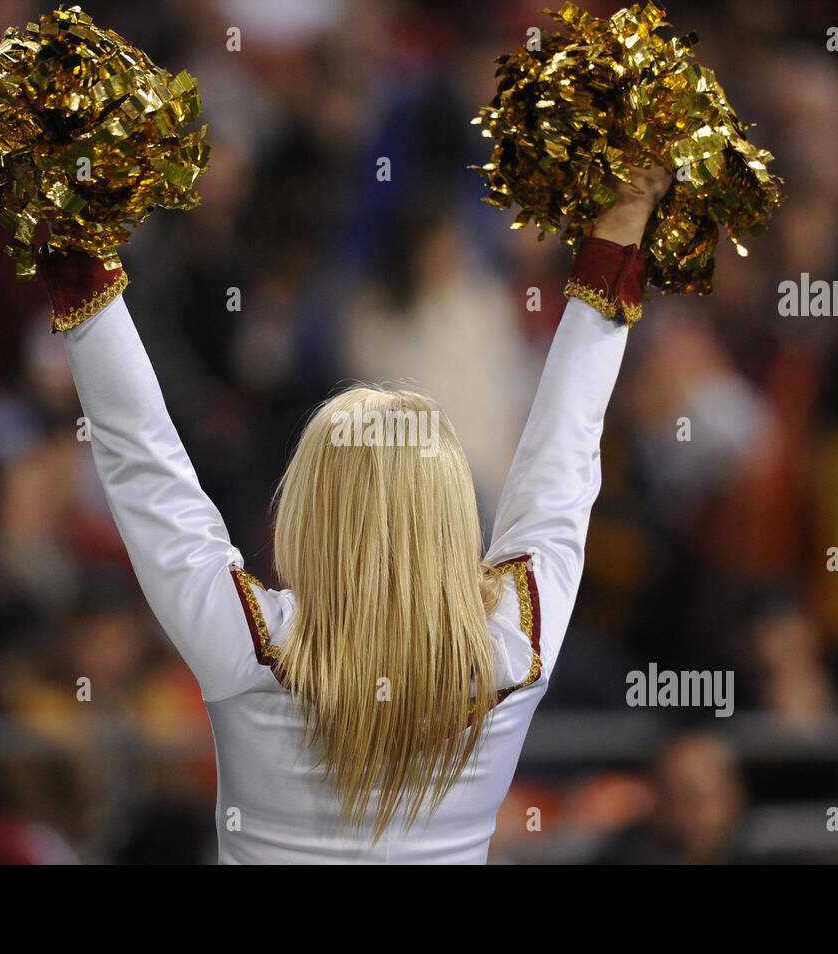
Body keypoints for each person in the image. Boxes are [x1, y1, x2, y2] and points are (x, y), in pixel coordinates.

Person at [37, 166, 674, 863]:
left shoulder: (248, 645)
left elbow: (141, 458)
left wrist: (74, 237)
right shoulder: (514, 647)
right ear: (450, 514)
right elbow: (566, 451)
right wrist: (626, 219)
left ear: (307, 512)